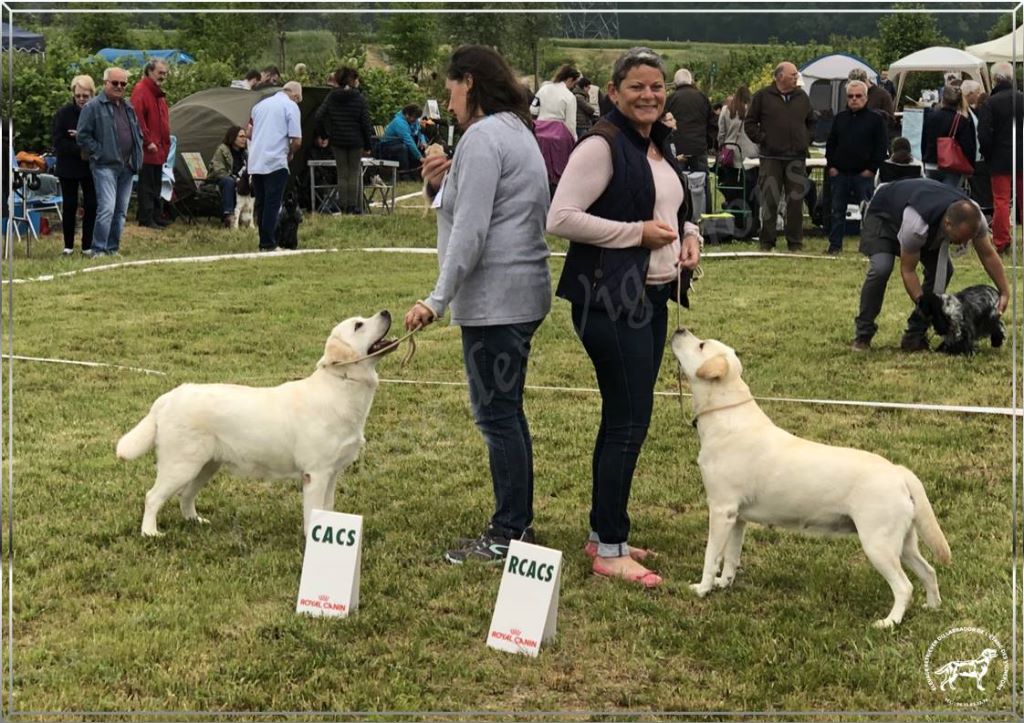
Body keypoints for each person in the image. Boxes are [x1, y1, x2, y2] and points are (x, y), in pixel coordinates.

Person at [546, 47, 701, 588]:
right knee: (627, 421)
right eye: (637, 87)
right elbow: (560, 217)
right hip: (608, 303)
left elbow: (674, 207)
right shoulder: (601, 144)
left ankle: (604, 532)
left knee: (627, 419)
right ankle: (609, 548)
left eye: (656, 86)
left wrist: (689, 235)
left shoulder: (655, 142)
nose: (649, 95)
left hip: (652, 298)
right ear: (613, 92)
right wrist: (635, 233)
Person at [402, 45, 552, 566]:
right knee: (505, 413)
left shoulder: (484, 138)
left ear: (469, 82)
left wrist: (435, 300)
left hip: (496, 300)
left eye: (451, 87)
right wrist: (439, 182)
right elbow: (473, 207)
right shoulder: (515, 131)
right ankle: (517, 523)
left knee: (496, 416)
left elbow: (472, 230)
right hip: (521, 294)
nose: (448, 98)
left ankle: (508, 531)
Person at [852, 177, 1008, 352]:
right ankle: (863, 334)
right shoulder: (917, 224)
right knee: (881, 268)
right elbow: (908, 270)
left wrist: (1004, 292)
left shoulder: (974, 218)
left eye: (968, 239)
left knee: (944, 271)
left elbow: (988, 255)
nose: (965, 243)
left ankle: (914, 335)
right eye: (961, 238)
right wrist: (928, 307)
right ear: (948, 225)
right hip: (885, 216)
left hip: (928, 221)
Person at [744, 61, 815, 252]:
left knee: (796, 202)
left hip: (796, 159)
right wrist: (763, 139)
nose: (796, 78)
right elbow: (749, 123)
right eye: (793, 75)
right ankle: (767, 241)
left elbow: (812, 121)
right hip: (771, 158)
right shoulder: (762, 97)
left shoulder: (802, 97)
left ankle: (795, 242)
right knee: (770, 200)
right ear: (780, 76)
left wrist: (805, 139)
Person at [75, 66, 143, 257]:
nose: (119, 86)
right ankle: (98, 249)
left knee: (121, 212)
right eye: (115, 83)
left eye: (123, 83)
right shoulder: (92, 107)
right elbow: (82, 137)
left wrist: (137, 153)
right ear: (105, 83)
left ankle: (113, 249)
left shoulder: (128, 107)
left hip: (127, 166)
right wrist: (99, 152)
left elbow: (136, 132)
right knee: (106, 208)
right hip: (105, 166)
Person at [824, 79, 887, 254]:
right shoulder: (839, 119)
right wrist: (832, 166)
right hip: (841, 174)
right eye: (850, 96)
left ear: (866, 98)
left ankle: (869, 246)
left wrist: (872, 169)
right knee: (837, 212)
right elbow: (831, 144)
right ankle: (835, 246)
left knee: (868, 213)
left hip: (864, 175)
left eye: (858, 96)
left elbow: (881, 147)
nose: (854, 99)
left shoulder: (875, 120)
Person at [248, 81, 302, 252]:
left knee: (261, 203)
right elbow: (297, 140)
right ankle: (269, 243)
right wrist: (290, 153)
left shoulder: (259, 106)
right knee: (273, 203)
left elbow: (249, 132)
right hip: (276, 160)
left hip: (256, 160)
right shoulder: (290, 106)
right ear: (295, 95)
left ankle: (263, 240)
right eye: (299, 100)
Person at [314, 66, 373, 215]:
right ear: (351, 80)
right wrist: (368, 144)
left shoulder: (331, 96)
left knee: (342, 173)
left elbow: (318, 116)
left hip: (337, 140)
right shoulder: (359, 98)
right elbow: (366, 123)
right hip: (356, 141)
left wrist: (325, 135)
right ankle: (353, 206)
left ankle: (343, 206)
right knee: (354, 172)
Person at [977, 61, 1023, 255]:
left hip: (999, 158)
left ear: (995, 78)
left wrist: (988, 154)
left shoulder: (990, 103)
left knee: (1001, 201)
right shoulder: (1022, 98)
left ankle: (1002, 241)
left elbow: (984, 134)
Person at [51, 74, 97, 256]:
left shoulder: (96, 113)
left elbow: (100, 138)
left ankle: (87, 246)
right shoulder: (63, 113)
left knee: (92, 204)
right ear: (73, 94)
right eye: (78, 96)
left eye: (85, 96)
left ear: (92, 95)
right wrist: (81, 146)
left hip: (90, 167)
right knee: (69, 205)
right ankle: (68, 246)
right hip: (68, 166)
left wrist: (81, 138)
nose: (81, 99)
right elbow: (58, 142)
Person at [130, 59, 171, 229]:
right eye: (160, 73)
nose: (163, 76)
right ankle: (146, 218)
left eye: (165, 73)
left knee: (156, 183)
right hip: (148, 148)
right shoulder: (141, 91)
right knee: (147, 184)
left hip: (159, 148)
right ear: (150, 71)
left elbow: (162, 121)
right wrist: (148, 141)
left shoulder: (157, 93)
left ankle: (155, 214)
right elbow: (138, 119)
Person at [716, 85, 760, 239]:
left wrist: (722, 147)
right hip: (751, 155)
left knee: (731, 191)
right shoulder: (753, 110)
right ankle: (750, 224)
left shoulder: (726, 110)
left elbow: (721, 133)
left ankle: (733, 222)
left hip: (731, 153)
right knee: (750, 192)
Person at [922, 85, 976, 189]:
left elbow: (924, 141)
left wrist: (925, 158)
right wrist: (971, 166)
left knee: (931, 195)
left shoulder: (930, 117)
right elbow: (968, 146)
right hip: (953, 165)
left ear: (942, 99)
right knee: (949, 197)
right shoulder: (961, 121)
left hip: (931, 162)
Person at [665, 68, 716, 174]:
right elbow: (712, 123)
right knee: (700, 183)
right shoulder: (702, 97)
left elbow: (663, 123)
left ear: (675, 83)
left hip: (677, 148)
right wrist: (709, 143)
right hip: (698, 147)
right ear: (691, 80)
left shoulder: (670, 99)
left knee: (679, 182)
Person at [206, 125, 248, 227]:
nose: (244, 139)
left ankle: (248, 215)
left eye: (245, 137)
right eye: (241, 136)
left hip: (239, 181)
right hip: (218, 181)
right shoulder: (222, 150)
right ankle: (229, 215)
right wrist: (235, 178)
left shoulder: (245, 153)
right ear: (233, 137)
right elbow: (218, 170)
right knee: (229, 181)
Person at [534, 65, 579, 140]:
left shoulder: (543, 89)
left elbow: (533, 109)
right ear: (570, 79)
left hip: (539, 134)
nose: (573, 87)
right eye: (574, 83)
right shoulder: (570, 96)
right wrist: (574, 139)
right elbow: (571, 124)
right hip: (557, 137)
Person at [380, 104, 424, 177]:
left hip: (399, 143)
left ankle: (416, 174)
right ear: (407, 115)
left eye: (417, 118)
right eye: (414, 118)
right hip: (387, 147)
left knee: (418, 147)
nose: (416, 120)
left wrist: (423, 141)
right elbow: (409, 141)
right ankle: (405, 174)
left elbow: (419, 131)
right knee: (404, 148)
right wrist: (420, 157)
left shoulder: (412, 121)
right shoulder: (399, 122)